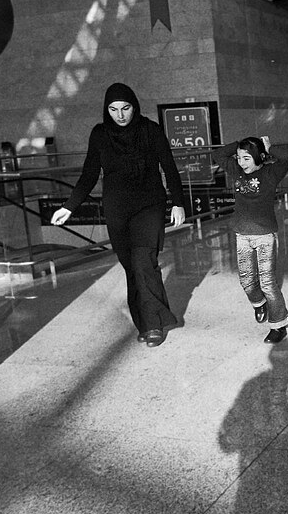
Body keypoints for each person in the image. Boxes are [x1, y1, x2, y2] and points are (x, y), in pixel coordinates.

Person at [50, 82, 186, 348]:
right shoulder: (100, 134)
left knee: (143, 262)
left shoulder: (151, 130)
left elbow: (169, 168)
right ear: (106, 110)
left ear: (134, 107)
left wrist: (178, 203)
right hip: (117, 210)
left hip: (149, 206)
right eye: (113, 109)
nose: (120, 115)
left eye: (125, 108)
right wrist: (69, 206)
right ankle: (144, 322)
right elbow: (90, 173)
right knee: (131, 268)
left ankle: (154, 324)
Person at [211, 136, 288, 343]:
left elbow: (287, 157)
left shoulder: (270, 173)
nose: (241, 162)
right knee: (247, 281)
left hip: (265, 235)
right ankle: (258, 304)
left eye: (247, 158)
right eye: (239, 157)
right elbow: (217, 154)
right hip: (242, 235)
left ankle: (279, 325)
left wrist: (268, 146)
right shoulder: (236, 170)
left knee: (267, 283)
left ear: (258, 157)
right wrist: (238, 143)